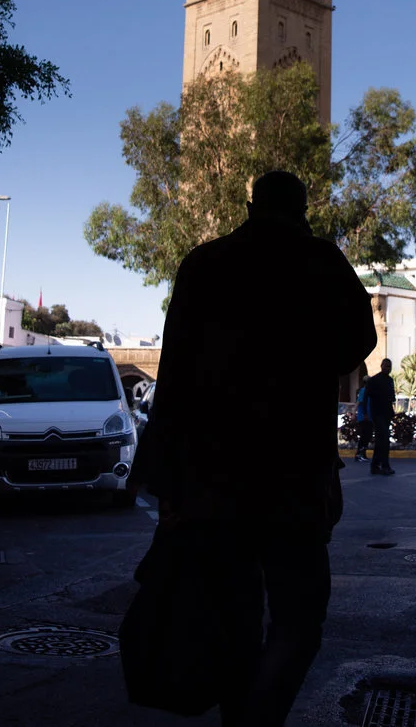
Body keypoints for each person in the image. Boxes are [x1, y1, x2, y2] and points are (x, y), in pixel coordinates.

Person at [130, 171, 377, 727]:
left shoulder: (203, 263)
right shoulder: (320, 261)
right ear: (302, 207)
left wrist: (163, 476)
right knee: (299, 620)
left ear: (251, 205)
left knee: (232, 620)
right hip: (294, 476)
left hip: (211, 481)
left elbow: (173, 376)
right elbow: (357, 344)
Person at [366, 358, 395, 476]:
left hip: (386, 413)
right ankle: (384, 465)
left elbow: (391, 397)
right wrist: (367, 413)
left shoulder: (390, 380)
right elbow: (366, 397)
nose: (388, 368)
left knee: (381, 440)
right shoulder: (374, 380)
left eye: (389, 366)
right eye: (386, 366)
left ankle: (375, 465)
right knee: (384, 439)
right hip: (377, 414)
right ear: (381, 366)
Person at [354, 374, 373, 462]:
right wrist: (354, 413)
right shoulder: (363, 391)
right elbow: (358, 403)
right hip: (363, 417)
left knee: (368, 436)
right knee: (364, 436)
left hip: (369, 417)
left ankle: (363, 453)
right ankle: (358, 454)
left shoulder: (370, 392)